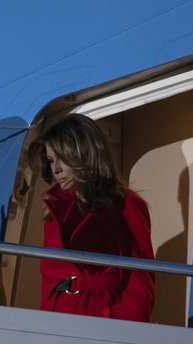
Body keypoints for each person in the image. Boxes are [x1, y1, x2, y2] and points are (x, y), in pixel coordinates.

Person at [29, 113, 155, 321]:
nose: (56, 169)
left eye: (62, 158)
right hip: (61, 318)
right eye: (51, 160)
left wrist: (132, 332)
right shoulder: (52, 211)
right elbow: (50, 281)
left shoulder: (127, 205)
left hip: (106, 318)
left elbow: (140, 279)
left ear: (83, 155)